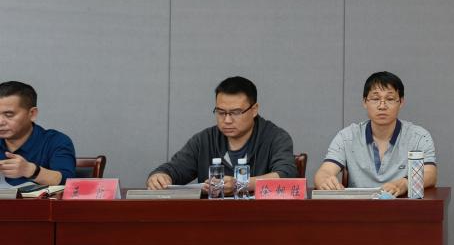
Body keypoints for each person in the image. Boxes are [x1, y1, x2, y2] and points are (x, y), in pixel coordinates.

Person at [146, 76, 296, 192]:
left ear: (254, 109)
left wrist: (241, 184)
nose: (227, 120)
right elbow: (174, 169)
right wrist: (160, 176)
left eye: (236, 112)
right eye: (221, 112)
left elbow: (286, 175)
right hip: (212, 217)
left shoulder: (276, 138)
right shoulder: (204, 140)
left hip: (260, 216)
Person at [314, 71, 437, 196]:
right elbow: (325, 171)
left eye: (390, 99)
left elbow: (430, 174)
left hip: (401, 205)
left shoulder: (419, 137)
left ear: (401, 102)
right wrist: (325, 180)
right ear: (365, 102)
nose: (382, 106)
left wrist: (404, 183)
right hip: (359, 206)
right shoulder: (347, 137)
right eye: (375, 99)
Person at [0, 81, 76, 187]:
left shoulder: (56, 141)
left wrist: (29, 170)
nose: (0, 122)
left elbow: (68, 181)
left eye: (9, 115)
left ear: (32, 114)